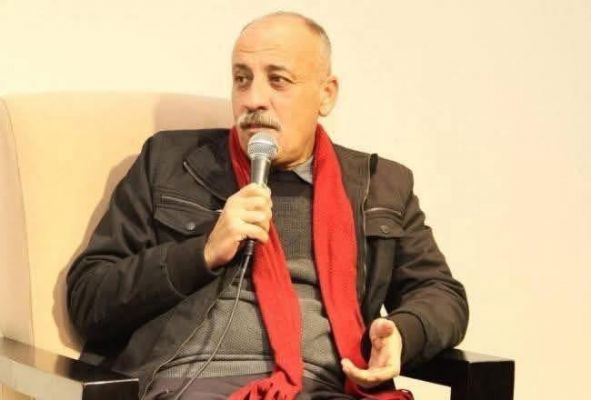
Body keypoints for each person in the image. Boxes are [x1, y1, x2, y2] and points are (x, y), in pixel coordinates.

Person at [67, 11, 468, 400]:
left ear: (326, 94)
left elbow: (440, 293)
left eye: (278, 80)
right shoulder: (169, 163)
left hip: (325, 387)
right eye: (242, 79)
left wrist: (404, 332)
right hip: (189, 383)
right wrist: (202, 253)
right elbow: (89, 297)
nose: (253, 99)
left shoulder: (379, 187)